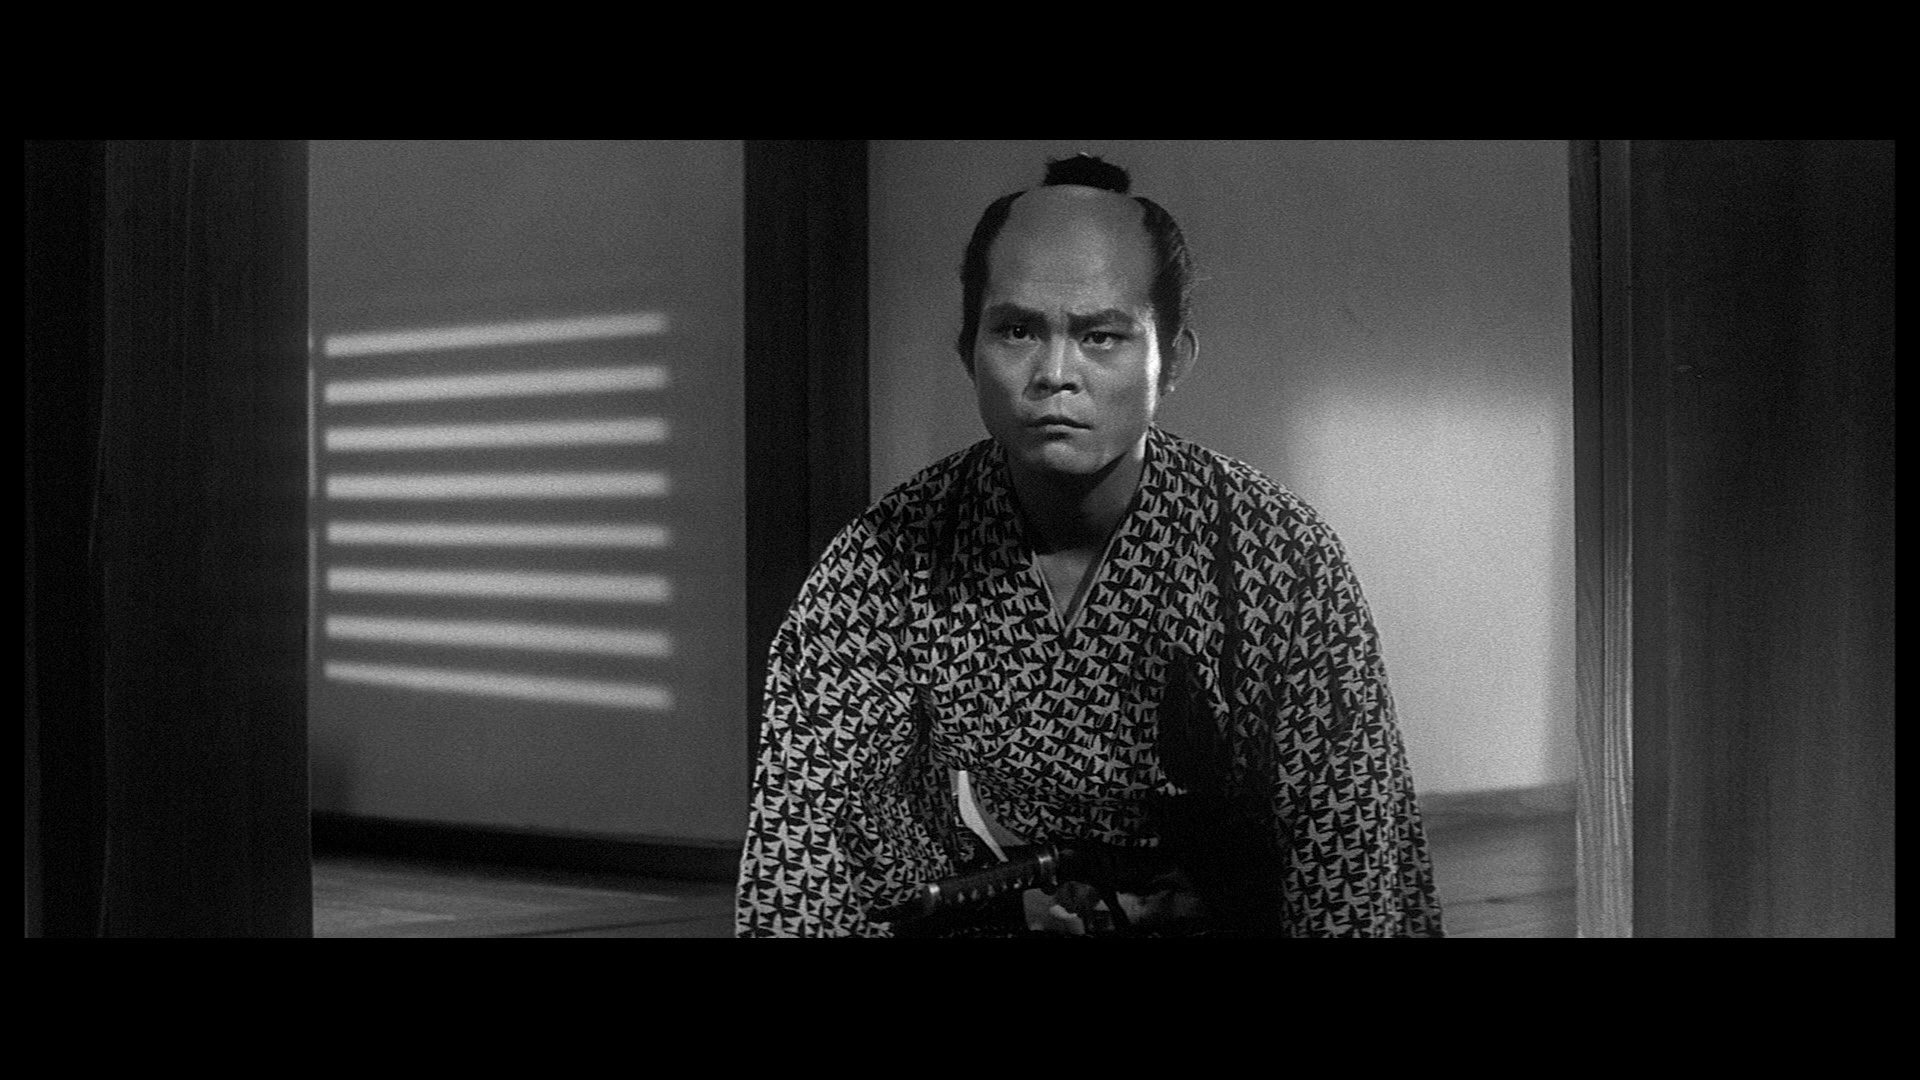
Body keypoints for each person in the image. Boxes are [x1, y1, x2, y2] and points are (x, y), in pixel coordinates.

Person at [735, 154, 1443, 937]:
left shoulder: (1281, 555)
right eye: (1016, 330)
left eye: (1102, 336)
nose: (1055, 374)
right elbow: (809, 841)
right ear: (968, 349)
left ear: (1172, 360)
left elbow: (1349, 854)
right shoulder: (882, 562)